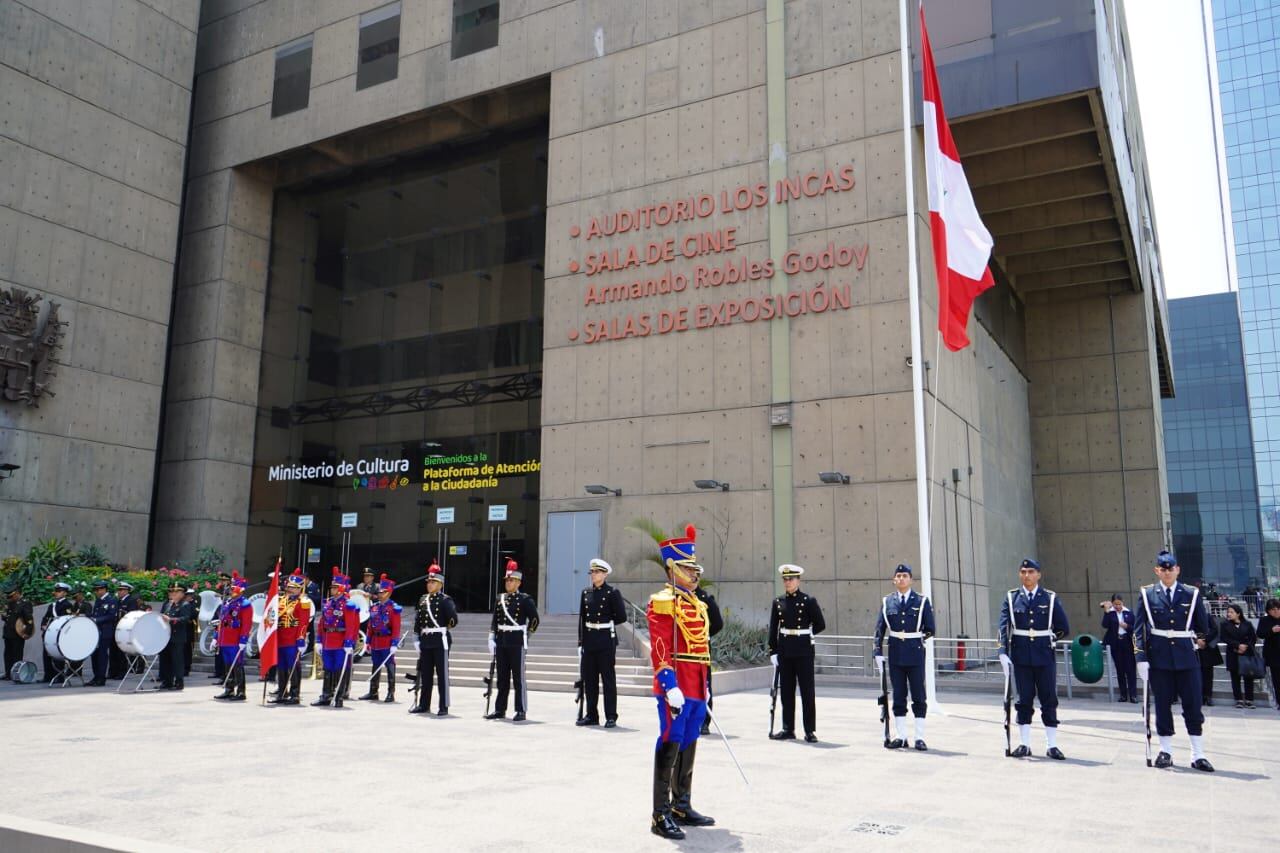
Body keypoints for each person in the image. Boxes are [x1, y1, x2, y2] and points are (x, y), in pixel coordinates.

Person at [647, 524, 714, 840]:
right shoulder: (663, 601)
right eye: (688, 567)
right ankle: (659, 814)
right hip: (676, 684)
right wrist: (668, 682)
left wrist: (706, 682)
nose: (694, 573)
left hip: (697, 681)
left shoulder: (696, 603)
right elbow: (660, 643)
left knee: (689, 740)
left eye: (694, 567)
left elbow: (702, 644)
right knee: (671, 738)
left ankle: (681, 805)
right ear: (673, 568)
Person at [1133, 549, 1214, 771]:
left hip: (1186, 658)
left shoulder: (1191, 594)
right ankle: (1165, 751)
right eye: (1163, 569)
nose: (1167, 573)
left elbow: (1203, 626)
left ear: (1177, 570)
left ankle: (1198, 754)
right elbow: (1138, 629)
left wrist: (1199, 639)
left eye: (1171, 569)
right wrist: (1141, 657)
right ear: (1157, 571)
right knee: (1162, 706)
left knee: (1193, 706)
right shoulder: (1147, 594)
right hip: (1159, 659)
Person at [998, 558, 1070, 759]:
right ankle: (1024, 744)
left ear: (1039, 574)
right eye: (1023, 571)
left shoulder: (1050, 598)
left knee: (1049, 699)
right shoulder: (1012, 598)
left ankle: (1052, 745)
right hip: (1020, 656)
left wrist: (1050, 639)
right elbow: (1003, 627)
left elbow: (1063, 627)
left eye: (1030, 571)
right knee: (1023, 700)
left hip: (1044, 655)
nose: (1026, 575)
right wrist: (1002, 651)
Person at [874, 563, 936, 750]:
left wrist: (915, 640)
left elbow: (930, 629)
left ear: (911, 580)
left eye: (905, 575)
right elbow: (880, 629)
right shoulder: (887, 602)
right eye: (898, 575)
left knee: (918, 695)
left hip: (915, 653)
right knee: (899, 696)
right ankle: (901, 736)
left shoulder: (922, 601)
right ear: (894, 580)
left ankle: (919, 737)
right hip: (895, 654)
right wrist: (877, 651)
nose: (901, 578)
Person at [767, 564, 827, 743]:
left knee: (807, 692)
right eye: (785, 579)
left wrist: (806, 634)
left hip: (803, 651)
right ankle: (788, 728)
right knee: (786, 691)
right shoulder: (778, 602)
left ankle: (809, 730)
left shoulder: (808, 601)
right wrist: (773, 650)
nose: (787, 582)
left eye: (790, 579)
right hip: (785, 650)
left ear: (798, 580)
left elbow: (820, 624)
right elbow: (773, 628)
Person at [577, 557, 628, 728]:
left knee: (608, 680)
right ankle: (591, 714)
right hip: (590, 640)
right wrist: (580, 643)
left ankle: (611, 715)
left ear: (605, 574)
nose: (593, 575)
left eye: (597, 572)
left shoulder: (612, 593)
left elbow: (622, 616)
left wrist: (606, 623)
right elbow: (582, 620)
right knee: (589, 680)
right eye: (592, 572)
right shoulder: (586, 593)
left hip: (605, 640)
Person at [486, 559, 539, 721]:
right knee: (502, 678)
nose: (508, 583)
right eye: (507, 580)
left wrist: (527, 635)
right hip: (502, 641)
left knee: (518, 678)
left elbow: (535, 620)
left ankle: (521, 709)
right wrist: (491, 636)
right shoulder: (499, 598)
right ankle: (499, 709)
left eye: (511, 580)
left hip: (517, 641)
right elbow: (495, 620)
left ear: (518, 582)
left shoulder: (525, 599)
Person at [412, 561, 457, 715]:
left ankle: (443, 706)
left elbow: (453, 620)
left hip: (439, 640)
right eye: (429, 582)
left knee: (442, 674)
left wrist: (441, 629)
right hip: (426, 640)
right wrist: (416, 637)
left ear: (440, 584)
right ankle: (424, 705)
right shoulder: (422, 599)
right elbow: (418, 620)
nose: (430, 585)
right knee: (426, 675)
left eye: (433, 582)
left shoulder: (445, 600)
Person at [312, 568, 360, 708]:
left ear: (340, 588)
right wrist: (319, 640)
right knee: (328, 668)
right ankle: (326, 695)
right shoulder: (328, 603)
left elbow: (351, 625)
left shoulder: (348, 605)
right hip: (328, 639)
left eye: (334, 587)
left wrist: (349, 642)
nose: (332, 589)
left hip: (340, 640)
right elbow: (322, 623)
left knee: (339, 668)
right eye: (331, 587)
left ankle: (338, 697)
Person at [267, 573, 312, 706]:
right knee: (281, 667)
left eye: (294, 587)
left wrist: (301, 639)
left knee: (293, 667)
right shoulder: (280, 600)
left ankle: (294, 694)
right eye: (289, 586)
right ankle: (281, 692)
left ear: (300, 589)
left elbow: (303, 623)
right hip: (280, 638)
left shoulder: (303, 602)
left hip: (293, 639)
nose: (290, 589)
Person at [359, 574, 402, 703]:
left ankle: (390, 693)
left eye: (383, 592)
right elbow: (370, 627)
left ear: (389, 593)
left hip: (387, 640)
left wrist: (395, 643)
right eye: (379, 592)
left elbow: (396, 628)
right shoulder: (374, 607)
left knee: (389, 666)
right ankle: (373, 691)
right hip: (376, 641)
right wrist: (367, 641)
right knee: (375, 666)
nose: (380, 594)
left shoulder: (394, 608)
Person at [693, 567, 723, 736]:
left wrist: (702, 635)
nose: (692, 578)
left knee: (704, 684)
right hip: (684, 651)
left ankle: (705, 722)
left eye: (695, 576)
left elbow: (718, 623)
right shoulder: (679, 597)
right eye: (690, 574)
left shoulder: (705, 598)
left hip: (702, 648)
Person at [213, 573, 252, 701]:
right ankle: (229, 689)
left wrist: (243, 639)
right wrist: (216, 637)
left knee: (237, 665)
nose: (231, 589)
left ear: (241, 589)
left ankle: (241, 691)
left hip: (236, 639)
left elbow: (246, 624)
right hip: (225, 638)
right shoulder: (228, 602)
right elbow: (221, 621)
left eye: (234, 587)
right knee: (228, 665)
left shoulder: (245, 604)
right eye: (232, 586)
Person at [1100, 594, 1138, 703]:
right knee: (1120, 669)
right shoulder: (1110, 613)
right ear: (1112, 603)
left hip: (1127, 642)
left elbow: (1135, 628)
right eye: (1115, 604)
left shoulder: (1128, 613)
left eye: (1119, 604)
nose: (1117, 606)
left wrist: (1127, 626)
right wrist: (1106, 611)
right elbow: (1105, 625)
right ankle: (1123, 695)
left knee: (1130, 670)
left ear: (1122, 602)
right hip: (1116, 643)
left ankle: (1133, 695)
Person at [1220, 603, 1258, 709]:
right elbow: (1224, 638)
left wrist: (1246, 646)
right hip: (1233, 653)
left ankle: (1249, 699)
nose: (1229, 614)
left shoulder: (1248, 624)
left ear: (1238, 613)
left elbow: (1253, 638)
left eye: (1232, 612)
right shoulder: (1225, 625)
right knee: (1235, 678)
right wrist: (1237, 645)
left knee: (1248, 677)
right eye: (1228, 612)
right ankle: (1238, 699)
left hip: (1246, 653)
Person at [158, 583, 194, 690]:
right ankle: (167, 681)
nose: (173, 594)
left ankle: (179, 682)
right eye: (172, 591)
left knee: (177, 660)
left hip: (177, 637)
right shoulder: (168, 604)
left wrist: (171, 620)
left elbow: (185, 619)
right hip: (166, 637)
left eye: (176, 592)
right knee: (165, 659)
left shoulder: (185, 605)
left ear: (182, 594)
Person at [40, 582, 75, 682]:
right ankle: (48, 676)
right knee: (46, 655)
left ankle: (59, 677)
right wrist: (43, 625)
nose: (56, 593)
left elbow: (67, 619)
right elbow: (46, 617)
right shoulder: (52, 605)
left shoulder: (67, 605)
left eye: (59, 591)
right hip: (49, 633)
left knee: (57, 655)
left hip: (59, 634)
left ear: (65, 593)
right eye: (56, 591)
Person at [87, 580, 118, 686]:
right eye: (96, 590)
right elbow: (95, 613)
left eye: (99, 589)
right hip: (95, 631)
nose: (97, 591)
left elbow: (111, 616)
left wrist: (96, 620)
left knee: (102, 655)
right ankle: (96, 676)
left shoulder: (111, 600)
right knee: (94, 655)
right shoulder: (98, 600)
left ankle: (101, 678)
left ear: (104, 589)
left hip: (105, 632)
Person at [109, 581, 142, 679]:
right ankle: (112, 672)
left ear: (127, 591)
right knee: (113, 651)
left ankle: (121, 672)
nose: (119, 592)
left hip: (124, 628)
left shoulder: (131, 601)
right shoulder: (117, 601)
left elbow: (130, 614)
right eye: (118, 590)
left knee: (121, 652)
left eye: (121, 590)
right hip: (115, 628)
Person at [2, 587, 33, 680]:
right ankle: (8, 674)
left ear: (17, 594)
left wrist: (27, 632)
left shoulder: (25, 603)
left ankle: (16, 674)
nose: (10, 598)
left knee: (17, 655)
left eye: (12, 596)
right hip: (8, 632)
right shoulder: (10, 603)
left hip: (18, 633)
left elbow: (29, 619)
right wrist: (3, 616)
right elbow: (8, 617)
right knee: (7, 654)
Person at [1258, 598, 1280, 711]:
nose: (1276, 611)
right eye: (1273, 609)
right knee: (1277, 679)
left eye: (1278, 609)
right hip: (1273, 655)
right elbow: (1260, 634)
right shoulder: (1265, 620)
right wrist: (1272, 631)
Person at [1197, 610, 1222, 706]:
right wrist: (1197, 640)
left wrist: (1205, 640)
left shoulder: (1207, 616)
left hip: (1207, 649)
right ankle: (1199, 696)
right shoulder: (1188, 616)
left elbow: (1215, 630)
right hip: (1194, 648)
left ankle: (1208, 696)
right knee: (1195, 675)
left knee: (1208, 674)